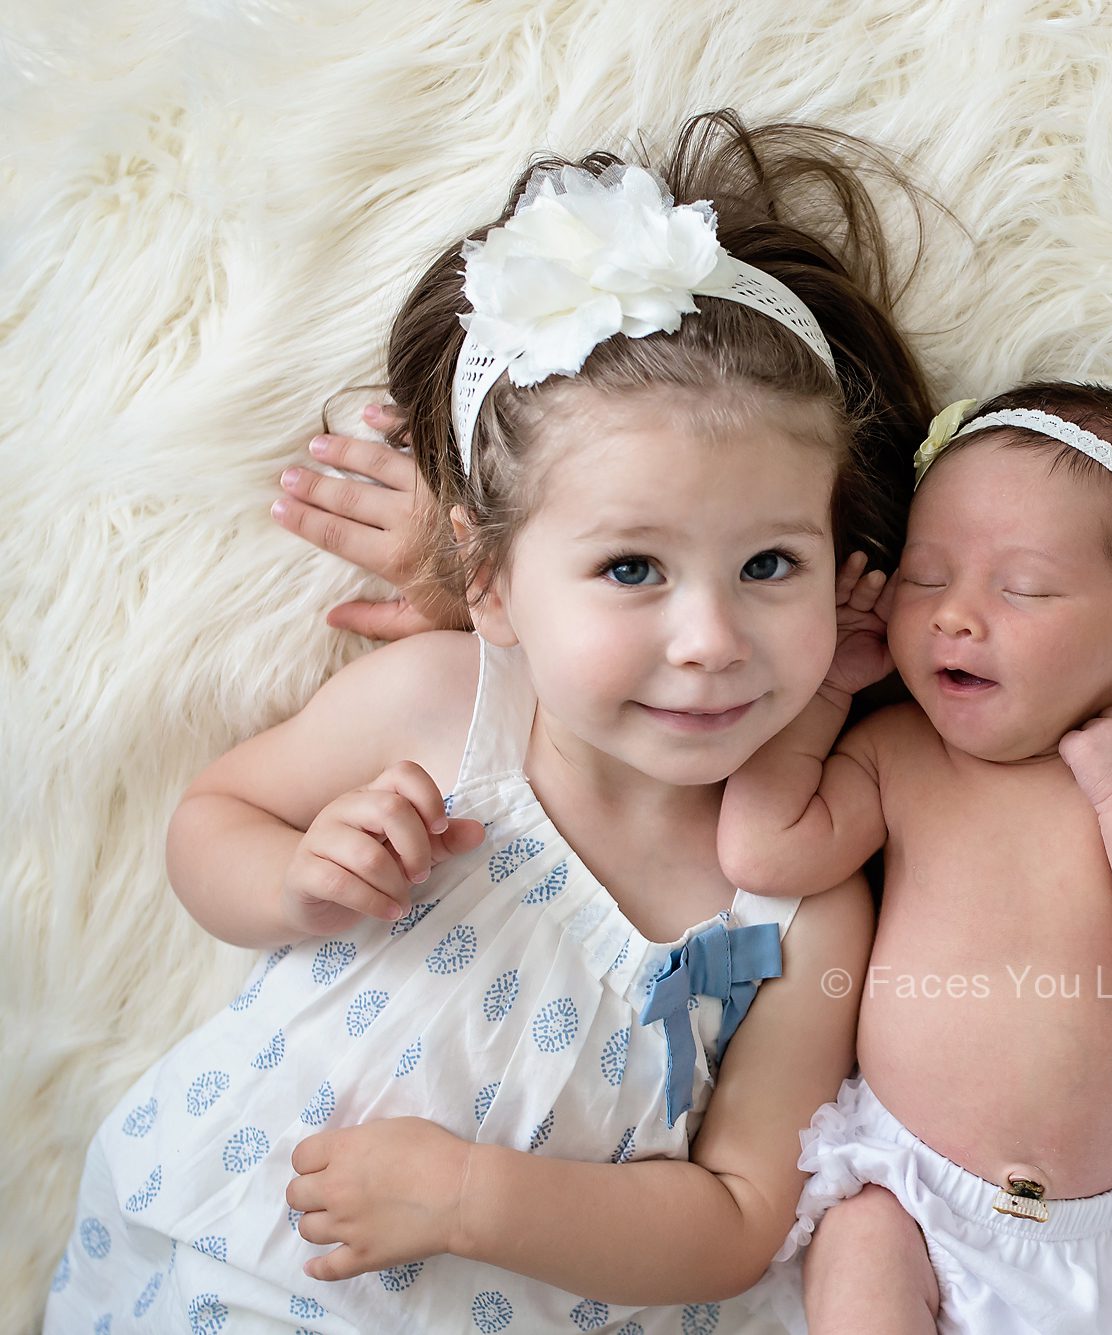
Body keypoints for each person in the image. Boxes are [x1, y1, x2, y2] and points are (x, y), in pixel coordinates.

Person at [46, 111, 933, 1333]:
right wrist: (294, 881)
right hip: (232, 1271)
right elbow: (213, 816)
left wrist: (477, 1199)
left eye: (770, 565)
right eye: (631, 568)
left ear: (845, 569)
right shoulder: (447, 706)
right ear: (491, 582)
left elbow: (738, 1219)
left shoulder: (801, 899)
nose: (711, 638)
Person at [716, 382, 1112, 1335]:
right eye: (925, 578)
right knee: (858, 1267)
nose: (955, 616)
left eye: (1022, 588)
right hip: (911, 1199)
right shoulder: (900, 755)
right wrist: (823, 695)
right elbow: (763, 847)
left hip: (1105, 1240)